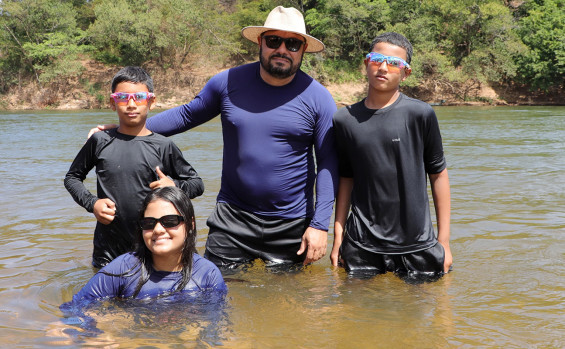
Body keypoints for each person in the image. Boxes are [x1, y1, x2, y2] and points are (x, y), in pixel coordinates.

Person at [89, 6, 338, 268]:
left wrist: (320, 226)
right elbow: (187, 115)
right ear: (260, 42)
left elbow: (328, 164)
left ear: (304, 49)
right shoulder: (228, 82)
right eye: (274, 40)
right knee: (214, 296)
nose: (282, 50)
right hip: (232, 219)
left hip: (292, 223)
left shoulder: (319, 99)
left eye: (293, 43)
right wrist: (128, 128)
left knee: (287, 303)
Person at [331, 32, 453, 278]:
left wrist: (444, 242)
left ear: (405, 73)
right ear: (366, 63)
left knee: (423, 311)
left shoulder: (421, 114)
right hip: (361, 242)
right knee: (355, 313)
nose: (384, 67)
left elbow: (438, 175)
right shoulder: (344, 120)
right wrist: (338, 238)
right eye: (377, 59)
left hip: (417, 242)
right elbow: (345, 179)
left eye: (394, 63)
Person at [65, 66, 204, 268]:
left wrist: (173, 185)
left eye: (139, 97)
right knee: (106, 298)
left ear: (151, 102)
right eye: (123, 97)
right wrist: (92, 204)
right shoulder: (99, 141)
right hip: (108, 248)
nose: (131, 104)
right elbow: (72, 178)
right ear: (113, 103)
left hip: (153, 245)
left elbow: (197, 184)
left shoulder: (163, 146)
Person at [61, 186, 226, 306]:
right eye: (149, 223)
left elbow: (215, 328)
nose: (158, 230)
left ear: (190, 225)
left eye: (170, 221)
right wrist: (96, 334)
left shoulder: (207, 275)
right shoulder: (124, 269)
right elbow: (74, 309)